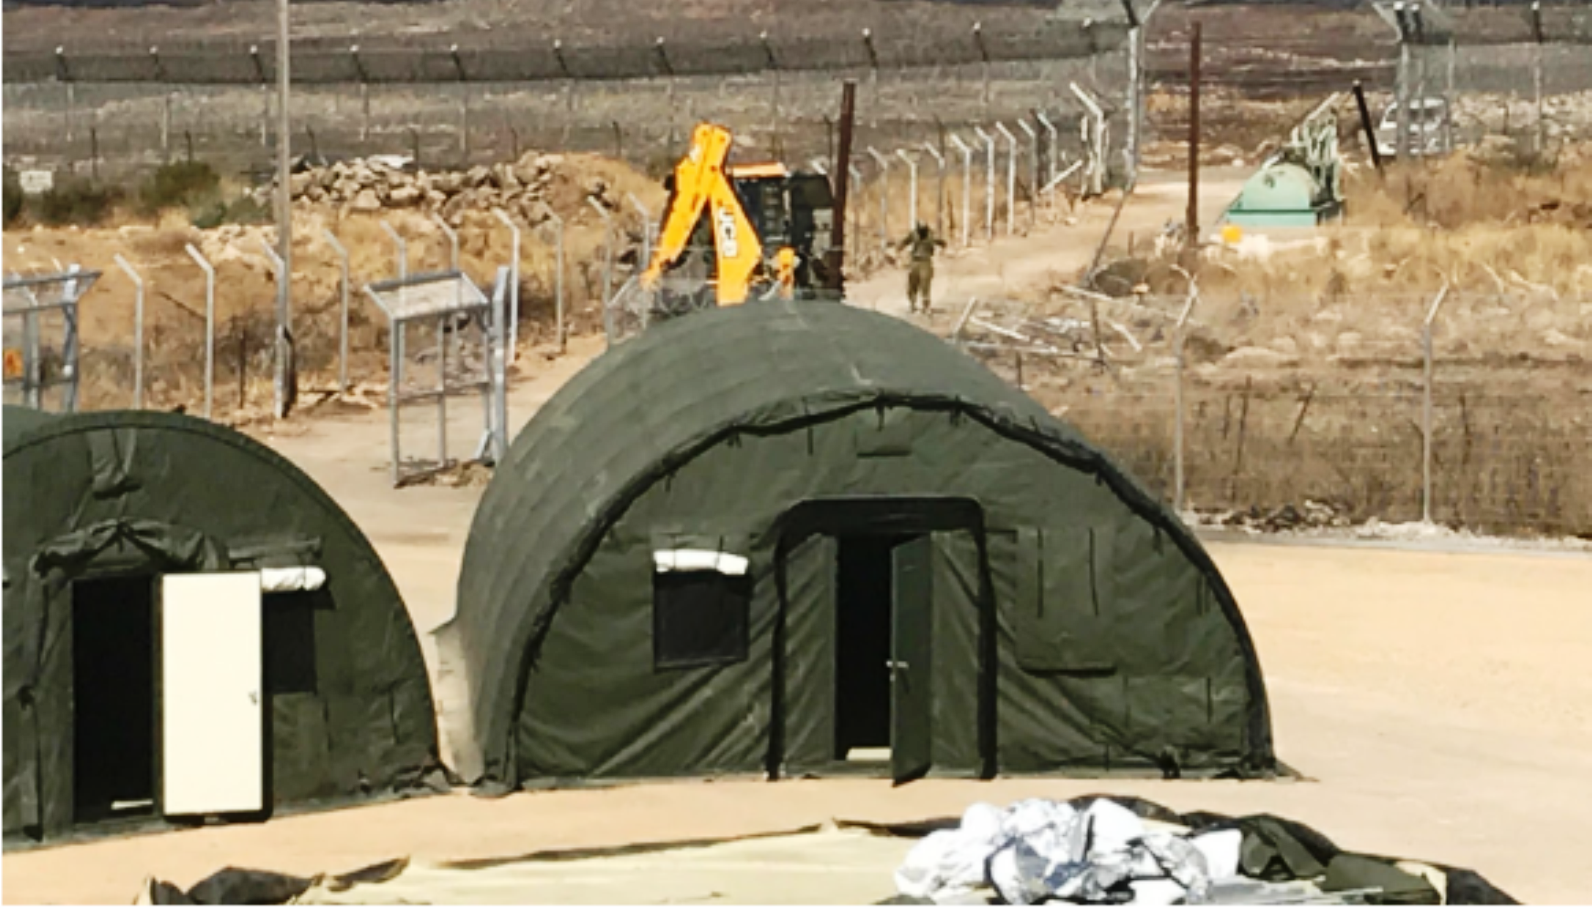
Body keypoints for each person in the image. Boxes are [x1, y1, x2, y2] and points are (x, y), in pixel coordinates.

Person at [898, 222, 946, 314]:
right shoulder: (914, 234)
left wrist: (942, 248)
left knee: (925, 283)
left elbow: (941, 242)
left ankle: (926, 305)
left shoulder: (930, 235)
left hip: (925, 261)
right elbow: (904, 241)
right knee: (912, 283)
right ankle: (912, 303)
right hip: (915, 261)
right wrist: (899, 250)